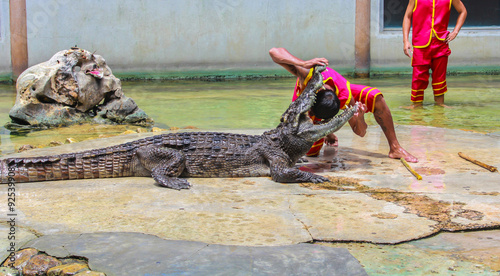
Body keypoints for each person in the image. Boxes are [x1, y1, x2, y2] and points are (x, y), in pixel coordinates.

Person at [269, 47, 418, 163]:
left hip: (333, 99)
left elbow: (360, 132)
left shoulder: (345, 95)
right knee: (309, 153)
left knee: (375, 96)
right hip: (303, 103)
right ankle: (327, 132)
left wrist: (359, 118)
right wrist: (302, 63)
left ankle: (395, 148)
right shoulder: (307, 73)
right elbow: (274, 52)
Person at [403, 0, 467, 107]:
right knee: (418, 78)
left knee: (440, 77)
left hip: (441, 43)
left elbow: (463, 11)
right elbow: (407, 16)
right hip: (420, 44)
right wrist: (406, 40)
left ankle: (439, 108)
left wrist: (455, 31)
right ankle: (416, 107)